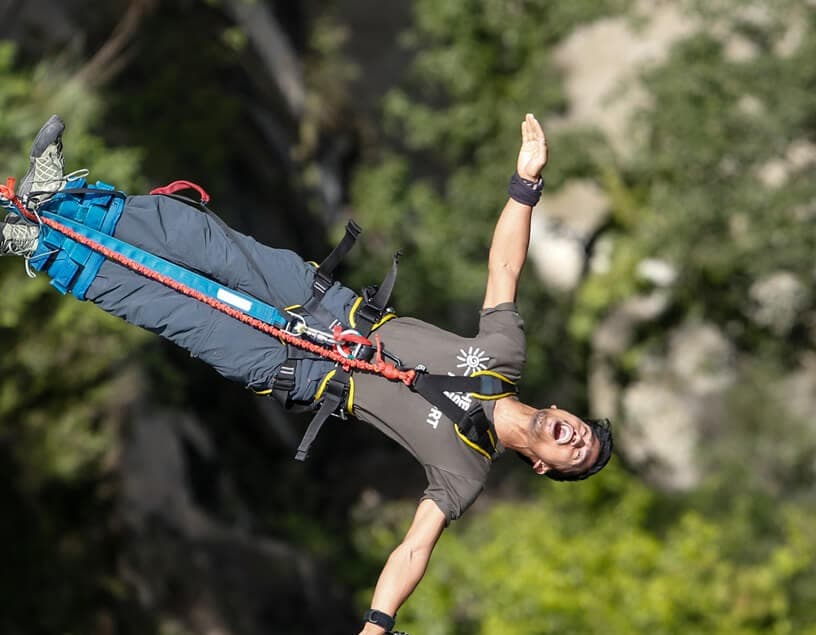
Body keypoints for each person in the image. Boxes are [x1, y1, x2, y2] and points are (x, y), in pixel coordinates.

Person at [1, 113, 613, 635]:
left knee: (170, 306)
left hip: (294, 367)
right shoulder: (504, 354)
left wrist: (379, 622)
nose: (577, 438)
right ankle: (57, 199)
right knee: (192, 233)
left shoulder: (464, 472)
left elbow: (413, 550)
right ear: (563, 412)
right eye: (582, 431)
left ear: (544, 465)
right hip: (323, 303)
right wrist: (526, 182)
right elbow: (505, 265)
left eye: (576, 456)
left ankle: (33, 239)